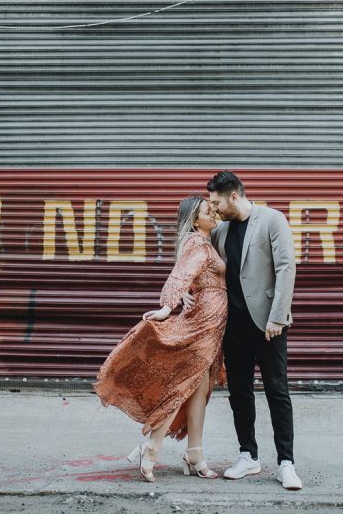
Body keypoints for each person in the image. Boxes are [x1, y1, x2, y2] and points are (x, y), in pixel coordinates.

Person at [94, 196, 226, 482]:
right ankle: (152, 448)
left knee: (199, 390)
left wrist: (192, 291)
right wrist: (168, 307)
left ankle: (195, 453)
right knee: (184, 385)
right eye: (207, 211)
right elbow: (181, 274)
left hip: (212, 324)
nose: (213, 213)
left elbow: (195, 276)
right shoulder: (197, 243)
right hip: (202, 324)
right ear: (194, 220)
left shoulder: (206, 243)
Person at [206, 171, 303, 491]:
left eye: (217, 202)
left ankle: (286, 463)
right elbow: (205, 265)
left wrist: (278, 317)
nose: (214, 208)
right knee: (240, 394)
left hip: (268, 325)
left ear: (233, 196)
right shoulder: (220, 230)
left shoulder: (272, 219)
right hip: (233, 326)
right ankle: (248, 455)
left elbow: (286, 267)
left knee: (277, 391)